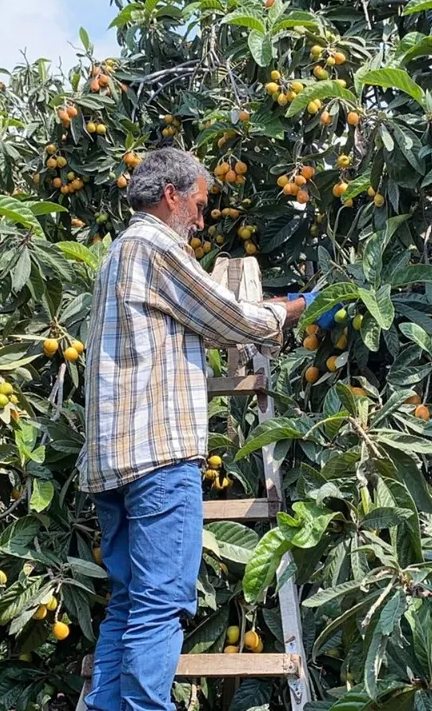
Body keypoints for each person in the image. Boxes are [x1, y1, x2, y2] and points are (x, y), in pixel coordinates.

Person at [78, 148, 316, 711]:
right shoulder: (155, 246)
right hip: (157, 455)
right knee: (162, 603)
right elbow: (226, 314)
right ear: (172, 196)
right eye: (201, 205)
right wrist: (293, 309)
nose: (203, 220)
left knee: (131, 602)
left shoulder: (118, 253)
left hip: (113, 459)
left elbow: (194, 323)